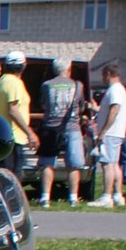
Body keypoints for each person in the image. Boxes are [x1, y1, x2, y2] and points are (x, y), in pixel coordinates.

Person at [35, 59, 86, 207]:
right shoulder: (78, 86)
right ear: (69, 69)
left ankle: (45, 197)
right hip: (72, 127)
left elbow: (43, 104)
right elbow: (81, 107)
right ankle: (73, 198)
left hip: (50, 127)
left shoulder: (46, 85)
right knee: (73, 165)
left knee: (47, 163)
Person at [0, 52, 35, 181]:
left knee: (2, 176)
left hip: (1, 137)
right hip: (13, 137)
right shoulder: (14, 83)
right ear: (22, 66)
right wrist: (29, 133)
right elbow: (13, 110)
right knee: (13, 178)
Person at [95, 63, 126, 207]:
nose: (103, 78)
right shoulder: (120, 89)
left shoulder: (114, 89)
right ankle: (117, 194)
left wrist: (103, 131)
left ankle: (106, 196)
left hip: (110, 133)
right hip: (117, 132)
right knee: (114, 164)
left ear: (109, 74)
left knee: (107, 164)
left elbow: (114, 109)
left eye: (103, 75)